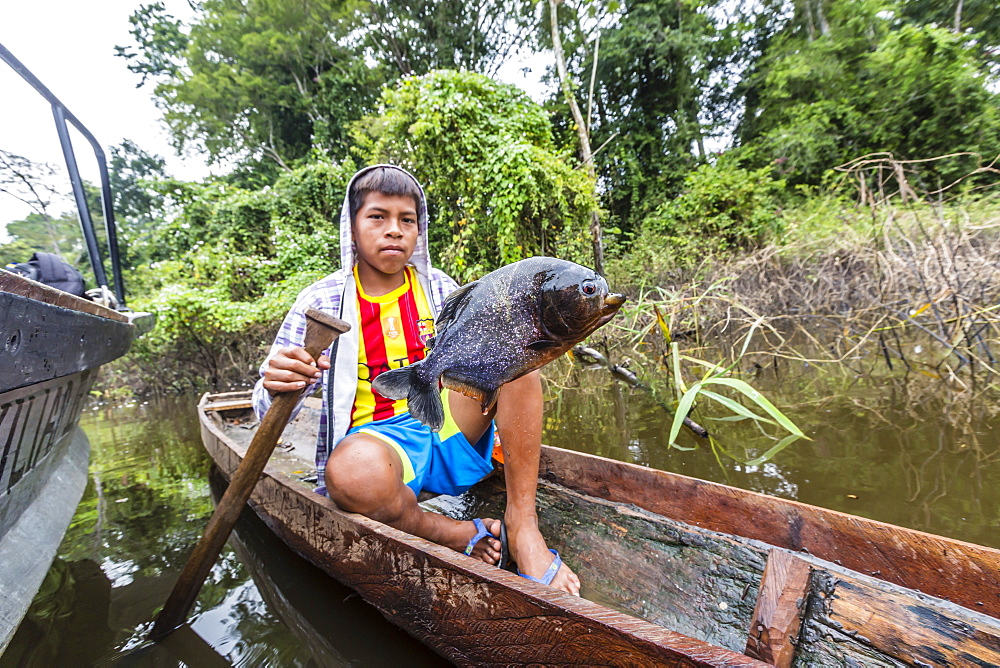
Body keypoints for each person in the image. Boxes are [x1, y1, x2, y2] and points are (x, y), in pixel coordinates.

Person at [252, 164, 580, 595]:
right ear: (351, 228)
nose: (394, 230)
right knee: (353, 474)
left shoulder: (442, 289)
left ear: (419, 232)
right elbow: (265, 411)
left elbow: (486, 365)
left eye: (407, 220)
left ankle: (523, 525)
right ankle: (453, 532)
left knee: (517, 358)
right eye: (377, 217)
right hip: (374, 451)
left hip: (443, 428)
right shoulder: (321, 300)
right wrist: (280, 382)